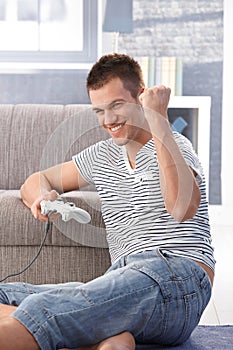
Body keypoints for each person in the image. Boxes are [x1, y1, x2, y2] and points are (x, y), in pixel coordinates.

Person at [0, 53, 215, 350]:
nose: (108, 120)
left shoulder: (174, 145)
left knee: (47, 312)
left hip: (177, 278)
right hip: (121, 279)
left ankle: (79, 329)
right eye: (99, 110)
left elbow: (181, 208)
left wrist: (160, 119)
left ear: (141, 97)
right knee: (5, 294)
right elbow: (36, 180)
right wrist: (42, 196)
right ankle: (104, 337)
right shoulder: (102, 156)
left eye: (116, 105)